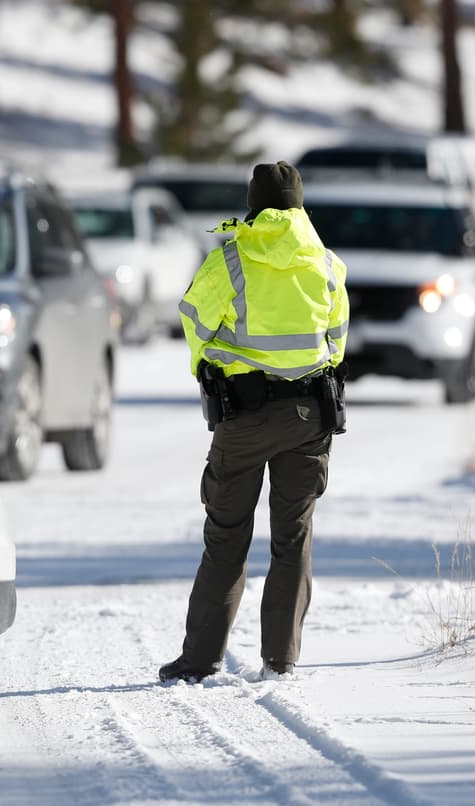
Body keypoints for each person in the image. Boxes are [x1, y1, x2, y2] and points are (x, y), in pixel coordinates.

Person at [159, 161, 349, 683]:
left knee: (225, 538)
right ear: (300, 203)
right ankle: (281, 660)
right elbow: (336, 343)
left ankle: (200, 660)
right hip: (309, 414)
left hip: (242, 418)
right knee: (293, 539)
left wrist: (211, 363)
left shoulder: (230, 259)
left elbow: (194, 318)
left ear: (254, 201)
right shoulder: (328, 264)